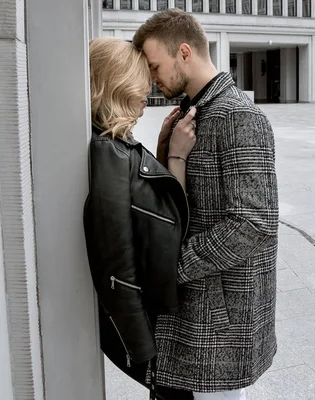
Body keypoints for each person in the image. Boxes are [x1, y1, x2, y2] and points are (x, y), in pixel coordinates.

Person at [133, 9, 280, 400]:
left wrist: (173, 265)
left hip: (220, 322)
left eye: (155, 66)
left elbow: (254, 223)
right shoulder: (189, 114)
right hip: (192, 313)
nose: (152, 78)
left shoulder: (239, 116)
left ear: (184, 52)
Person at [83, 37, 196, 400]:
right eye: (139, 86)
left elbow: (149, 208)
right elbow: (116, 264)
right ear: (116, 84)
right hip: (148, 326)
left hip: (156, 318)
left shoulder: (116, 145)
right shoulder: (109, 153)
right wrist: (145, 355)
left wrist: (166, 151)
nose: (146, 98)